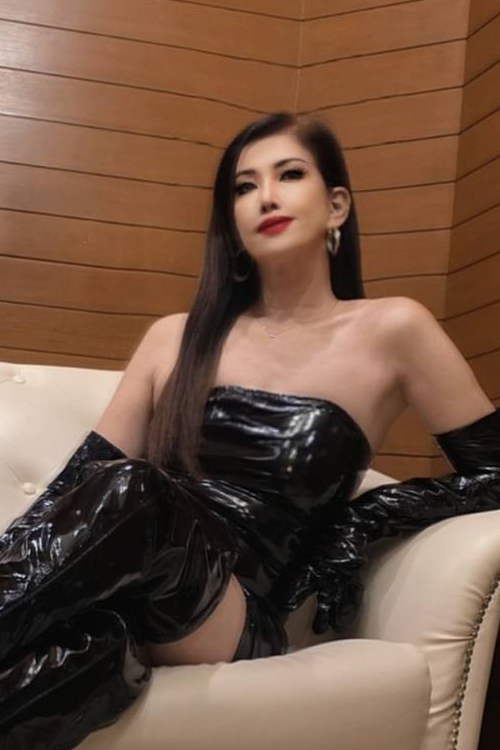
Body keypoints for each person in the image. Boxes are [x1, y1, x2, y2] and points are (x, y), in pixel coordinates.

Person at [1, 110, 499, 749]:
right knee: (85, 656)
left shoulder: (393, 329)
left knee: (137, 490)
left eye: (289, 175)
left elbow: (494, 470)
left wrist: (366, 517)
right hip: (135, 592)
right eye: (243, 186)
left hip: (235, 612)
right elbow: (80, 487)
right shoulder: (176, 338)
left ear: (337, 205)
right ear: (231, 220)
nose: (265, 196)